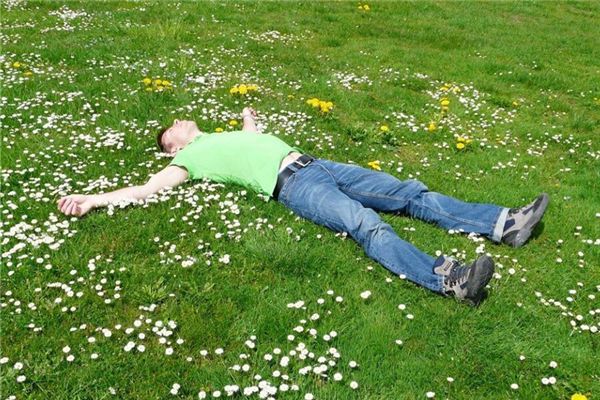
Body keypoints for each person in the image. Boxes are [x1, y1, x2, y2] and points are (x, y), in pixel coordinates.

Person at [57, 107, 549, 306]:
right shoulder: (188, 160)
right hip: (292, 185)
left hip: (318, 164)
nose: (181, 122)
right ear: (173, 148)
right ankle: (450, 280)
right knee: (365, 224)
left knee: (407, 192)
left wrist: (248, 119)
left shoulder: (220, 136)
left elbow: (252, 139)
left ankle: (503, 223)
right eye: (173, 130)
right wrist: (94, 199)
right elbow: (145, 190)